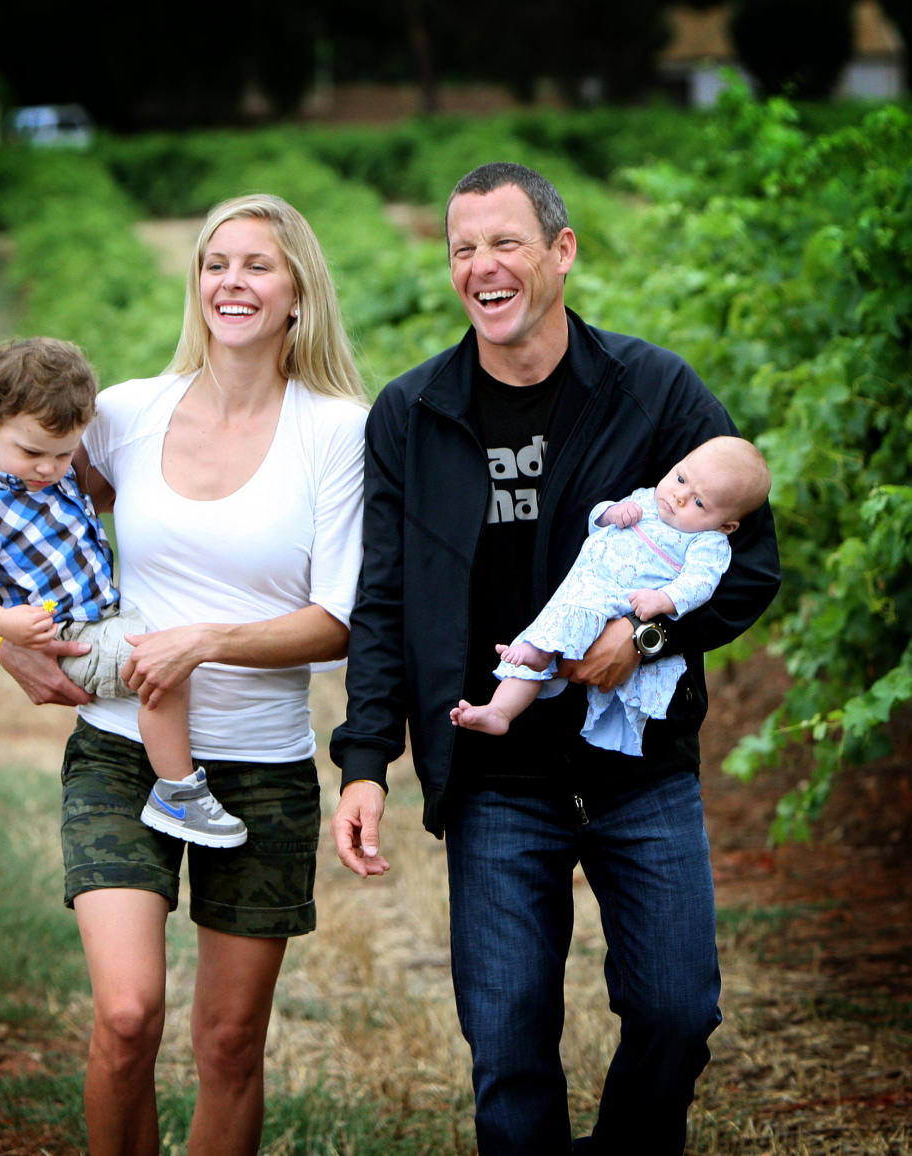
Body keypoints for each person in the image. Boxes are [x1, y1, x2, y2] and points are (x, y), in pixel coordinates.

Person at [330, 163, 780, 1154]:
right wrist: (365, 758)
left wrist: (647, 637)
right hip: (494, 778)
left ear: (561, 252)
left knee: (675, 1012)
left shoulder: (653, 391)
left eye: (504, 242)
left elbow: (751, 565)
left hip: (637, 768)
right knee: (509, 1050)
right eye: (461, 248)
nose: (480, 267)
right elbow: (384, 601)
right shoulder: (413, 414)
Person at [0, 194, 368, 1156]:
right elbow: (11, 504)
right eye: (216, 264)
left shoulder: (337, 431)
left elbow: (338, 622)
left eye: (258, 266)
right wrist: (7, 640)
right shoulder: (125, 412)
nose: (232, 284)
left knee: (230, 1043)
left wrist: (206, 640)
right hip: (121, 752)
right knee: (127, 1018)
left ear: (298, 293)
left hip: (260, 768)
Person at [0, 336, 246, 849]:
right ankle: (177, 791)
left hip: (102, 613)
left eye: (63, 454)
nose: (48, 468)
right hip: (69, 632)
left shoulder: (44, 475)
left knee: (164, 652)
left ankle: (173, 780)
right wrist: (3, 626)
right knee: (162, 667)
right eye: (32, 452)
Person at [452, 435, 772, 756]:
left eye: (699, 502)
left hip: (613, 607)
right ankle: (499, 711)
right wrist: (611, 513)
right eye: (680, 478)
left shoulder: (706, 542)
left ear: (726, 525)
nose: (678, 497)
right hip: (583, 591)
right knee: (538, 645)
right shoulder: (648, 499)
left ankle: (536, 661)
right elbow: (596, 521)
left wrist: (665, 600)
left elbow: (699, 583)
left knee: (543, 647)